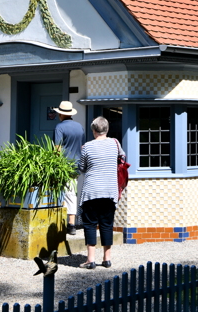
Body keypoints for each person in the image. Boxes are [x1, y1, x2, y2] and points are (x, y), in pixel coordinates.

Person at [77, 116, 123, 269]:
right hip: (110, 190)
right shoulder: (115, 143)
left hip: (91, 191)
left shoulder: (87, 147)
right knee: (106, 224)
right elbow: (122, 158)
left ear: (94, 130)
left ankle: (90, 260)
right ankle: (107, 259)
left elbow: (81, 168)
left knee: (90, 224)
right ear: (107, 129)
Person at [53, 100, 86, 236]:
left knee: (60, 193)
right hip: (76, 165)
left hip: (62, 166)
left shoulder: (59, 127)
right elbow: (82, 147)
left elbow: (57, 149)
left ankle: (66, 223)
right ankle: (71, 222)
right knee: (71, 192)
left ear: (60, 114)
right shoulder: (79, 127)